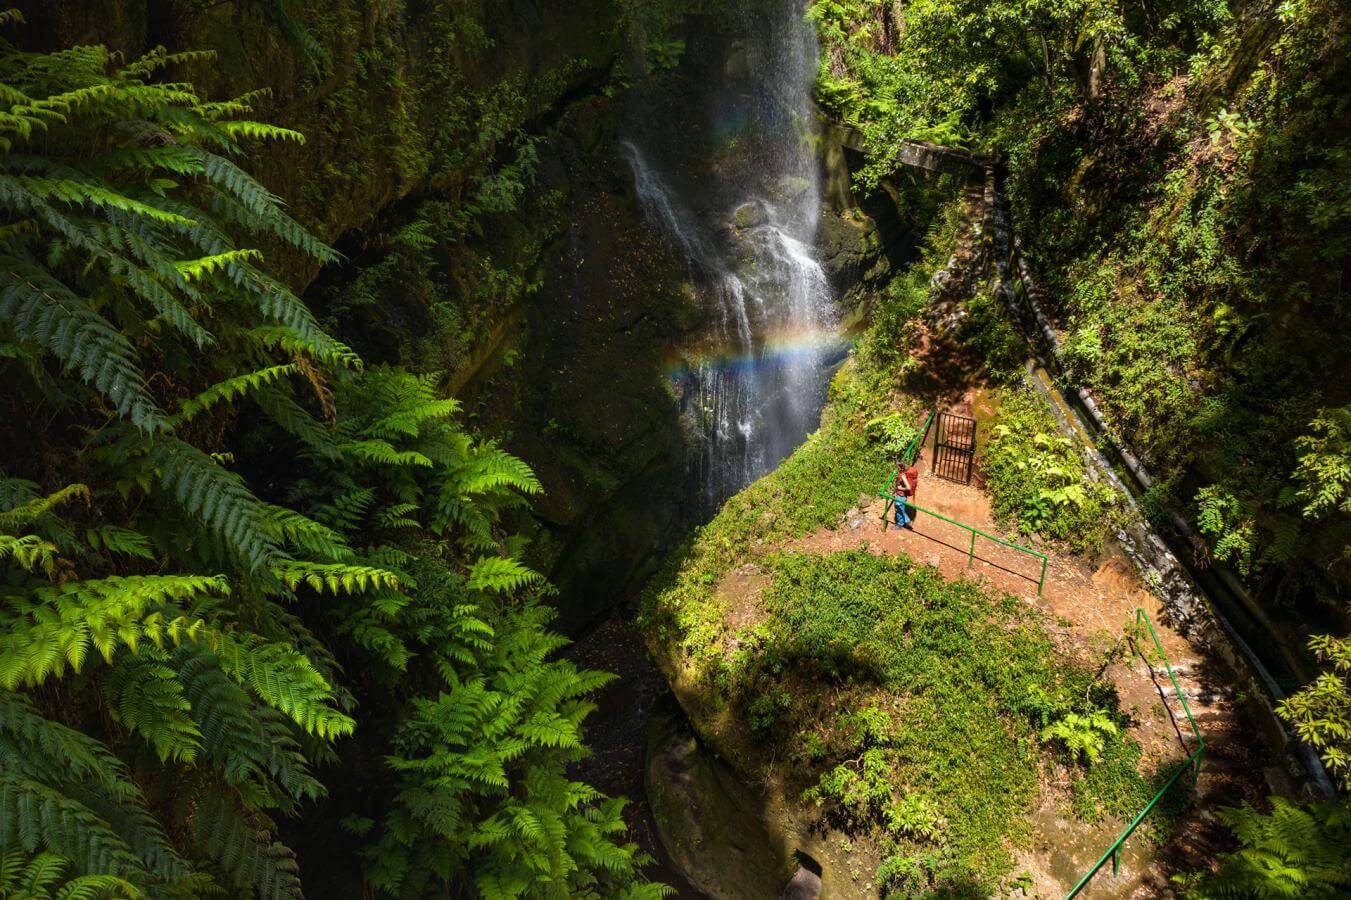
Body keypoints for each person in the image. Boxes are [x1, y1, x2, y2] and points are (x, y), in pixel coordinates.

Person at [893, 454, 920, 529]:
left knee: (899, 509)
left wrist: (900, 488)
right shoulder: (905, 472)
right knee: (899, 508)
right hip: (902, 495)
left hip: (900, 495)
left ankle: (903, 522)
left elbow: (908, 487)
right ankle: (902, 523)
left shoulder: (903, 475)